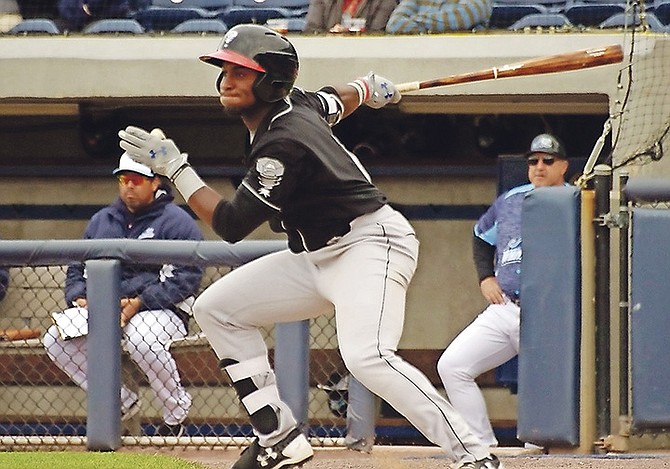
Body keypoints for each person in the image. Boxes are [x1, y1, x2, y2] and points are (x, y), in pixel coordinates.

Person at [118, 23, 503, 469]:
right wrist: (367, 87)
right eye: (224, 69)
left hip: (369, 246)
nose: (227, 79)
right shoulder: (296, 105)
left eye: (241, 71)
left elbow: (231, 223)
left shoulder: (283, 142)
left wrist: (177, 168)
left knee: (367, 357)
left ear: (271, 80)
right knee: (216, 308)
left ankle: (473, 455)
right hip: (314, 256)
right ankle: (278, 438)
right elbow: (335, 98)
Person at [43, 154, 204, 437]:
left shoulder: (177, 221)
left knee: (142, 339)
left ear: (155, 183)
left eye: (136, 180)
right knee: (55, 340)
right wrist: (80, 297)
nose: (129, 186)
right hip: (105, 307)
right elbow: (76, 269)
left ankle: (175, 413)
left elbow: (186, 278)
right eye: (123, 179)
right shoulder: (101, 220)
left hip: (159, 310)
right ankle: (120, 401)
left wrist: (139, 303)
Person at [437, 133, 570, 448]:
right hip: (506, 306)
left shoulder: (578, 199)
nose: (539, 167)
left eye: (548, 161)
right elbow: (481, 236)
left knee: (545, 388)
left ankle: (546, 450)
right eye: (533, 161)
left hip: (551, 312)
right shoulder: (512, 199)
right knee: (453, 366)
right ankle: (480, 447)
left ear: (563, 165)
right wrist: (485, 277)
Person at [385, 0, 493, 34]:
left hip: (460, 62)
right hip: (420, 58)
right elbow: (394, 24)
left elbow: (461, 19)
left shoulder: (481, 2)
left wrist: (413, 20)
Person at [303, 0, 398, 33]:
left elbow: (377, 33)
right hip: (327, 52)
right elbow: (312, 29)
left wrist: (349, 34)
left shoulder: (385, 1)